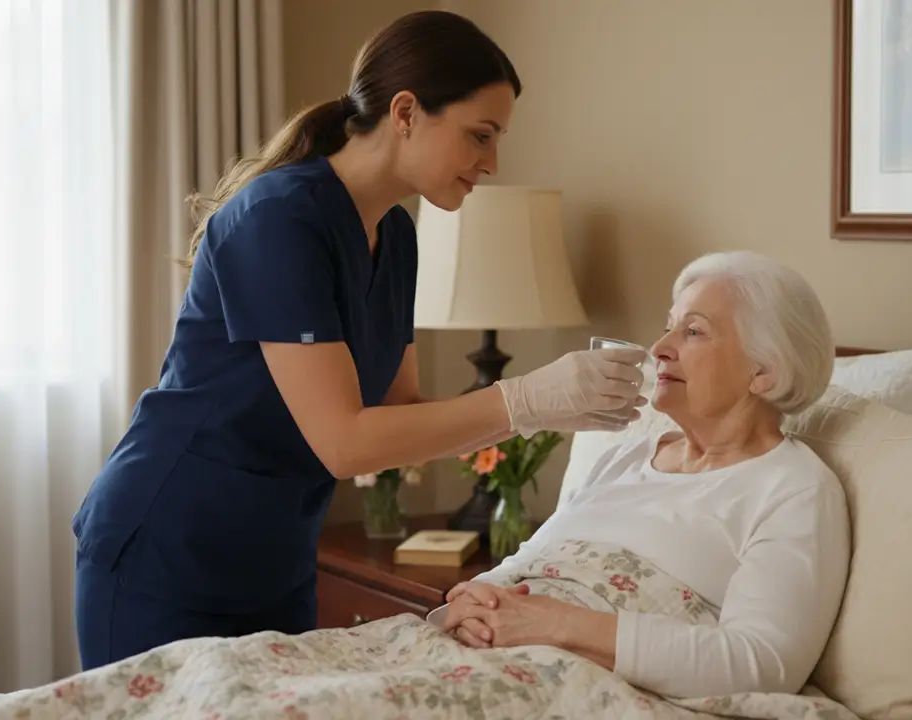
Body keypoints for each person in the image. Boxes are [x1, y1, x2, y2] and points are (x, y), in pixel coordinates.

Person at [70, 10, 646, 672]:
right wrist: (527, 400)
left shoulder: (396, 237)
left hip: (275, 558)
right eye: (480, 136)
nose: (492, 162)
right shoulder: (279, 220)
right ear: (405, 113)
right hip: (169, 549)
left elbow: (396, 413)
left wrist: (549, 410)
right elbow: (345, 442)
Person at [430, 251, 852, 699]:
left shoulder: (795, 491)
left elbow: (761, 664)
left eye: (692, 331)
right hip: (476, 652)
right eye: (667, 326)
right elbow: (526, 560)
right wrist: (474, 600)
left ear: (763, 371)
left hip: (563, 683)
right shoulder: (627, 455)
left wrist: (554, 624)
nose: (659, 349)